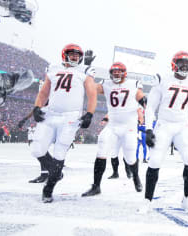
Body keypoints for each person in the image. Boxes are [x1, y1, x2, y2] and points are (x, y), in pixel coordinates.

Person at [30, 43, 97, 203]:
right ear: (64, 54)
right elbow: (44, 91)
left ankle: (49, 188)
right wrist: (37, 107)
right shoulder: (53, 68)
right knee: (37, 149)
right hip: (51, 114)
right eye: (72, 54)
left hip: (70, 117)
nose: (75, 57)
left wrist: (89, 113)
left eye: (77, 55)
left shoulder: (85, 71)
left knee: (60, 151)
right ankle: (56, 172)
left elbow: (92, 94)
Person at [142, 51, 188, 215]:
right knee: (154, 161)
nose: (185, 66)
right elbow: (150, 107)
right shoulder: (162, 79)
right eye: (181, 62)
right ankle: (147, 200)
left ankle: (187, 199)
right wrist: (148, 128)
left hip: (183, 126)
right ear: (173, 64)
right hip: (164, 124)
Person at [82, 62, 145, 197]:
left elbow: (141, 97)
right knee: (101, 149)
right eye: (114, 72)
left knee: (130, 157)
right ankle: (96, 186)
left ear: (124, 73)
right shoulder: (106, 84)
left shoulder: (133, 84)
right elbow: (90, 88)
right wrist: (87, 69)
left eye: (119, 71)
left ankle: (136, 176)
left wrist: (145, 104)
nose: (116, 74)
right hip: (112, 125)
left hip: (129, 127)